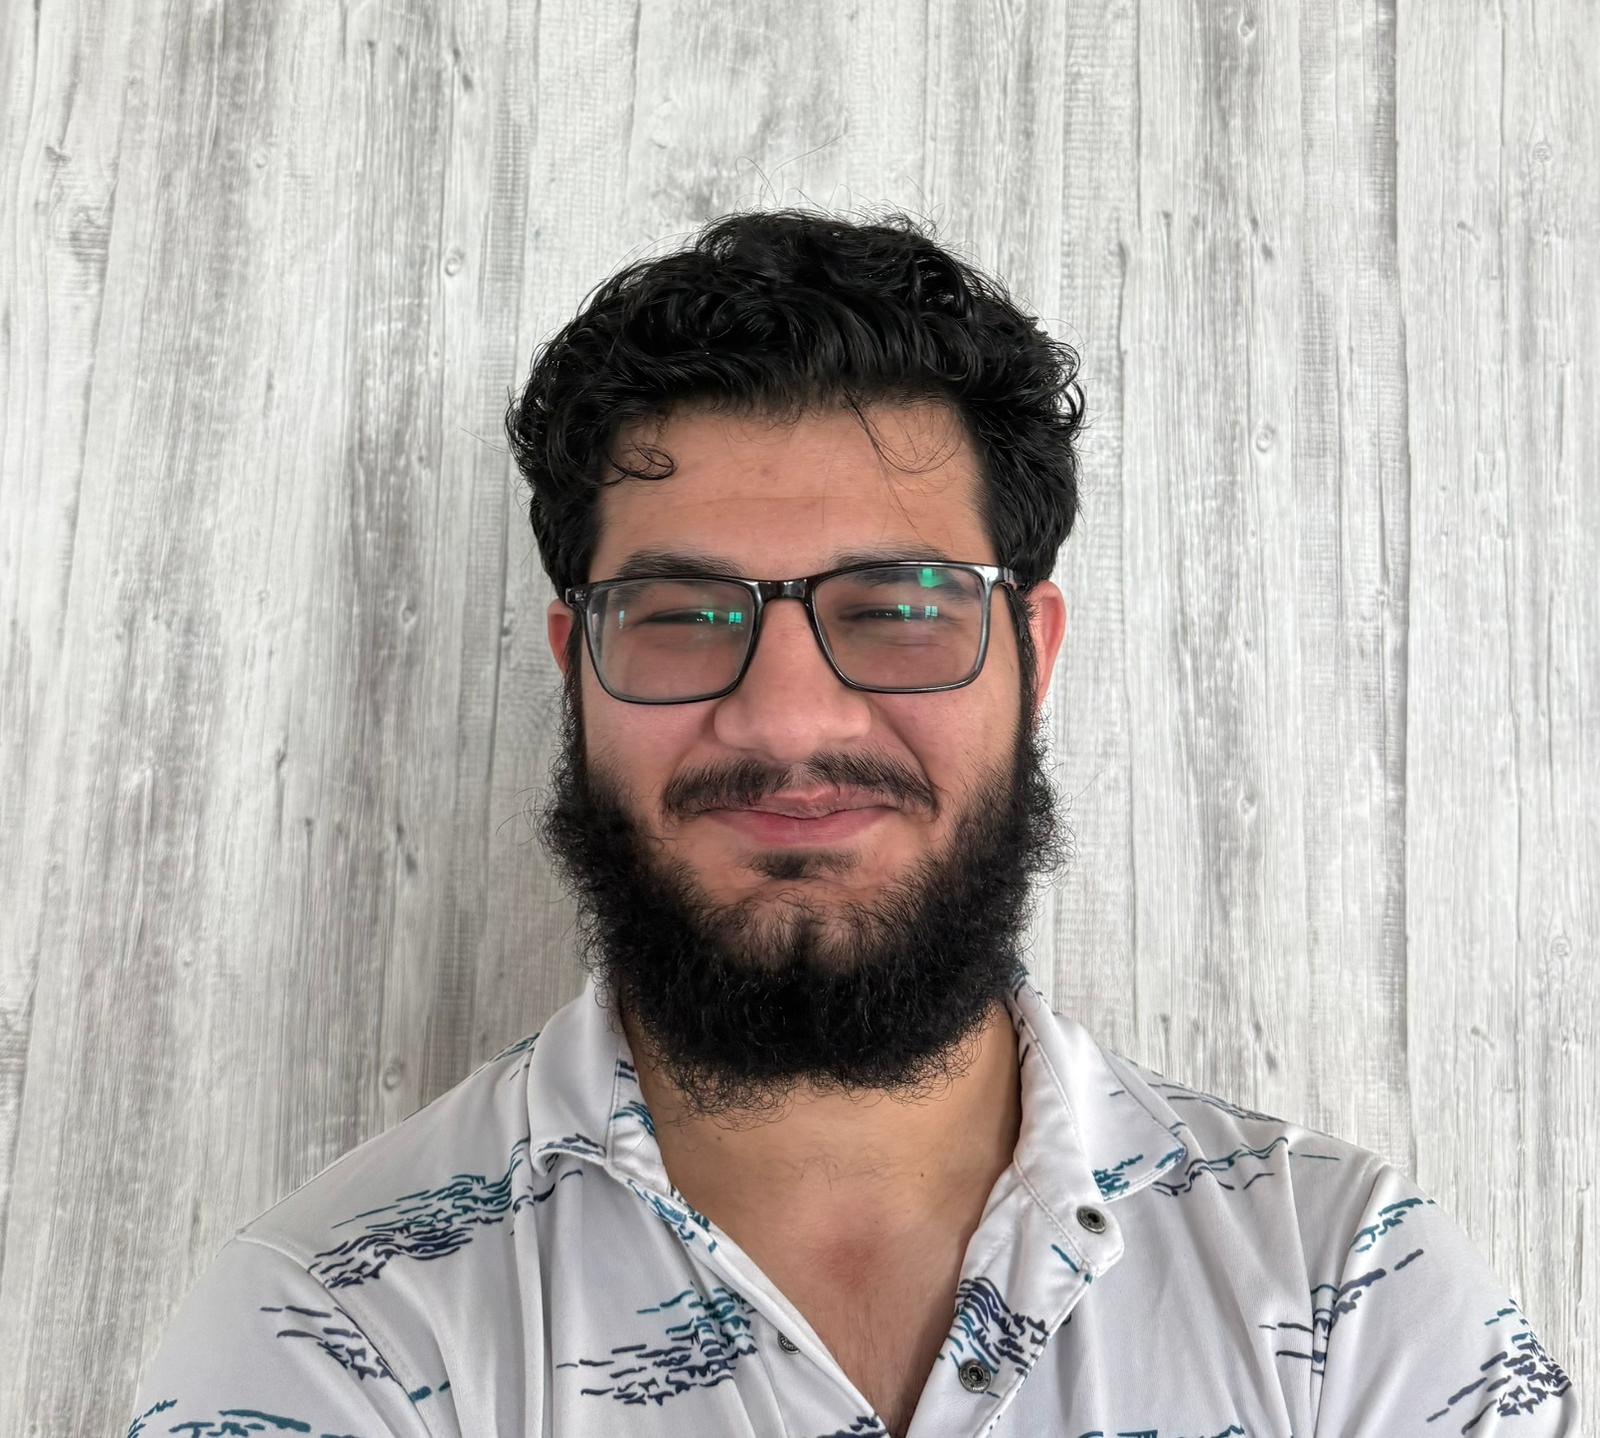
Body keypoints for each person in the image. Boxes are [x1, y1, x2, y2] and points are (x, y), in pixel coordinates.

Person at [126, 209, 1578, 1438]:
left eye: (897, 608)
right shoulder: (333, 1328)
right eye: (683, 615)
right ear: (578, 669)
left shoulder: (1345, 1286)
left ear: (1033, 654)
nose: (787, 721)